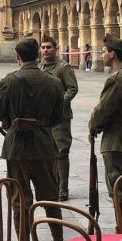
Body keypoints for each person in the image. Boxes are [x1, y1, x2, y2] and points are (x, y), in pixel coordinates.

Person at [0, 37, 65, 241]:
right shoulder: (54, 82)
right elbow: (57, 117)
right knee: (51, 199)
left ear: (18, 56)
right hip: (44, 146)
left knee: (20, 201)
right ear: (37, 55)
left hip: (17, 149)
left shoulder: (10, 80)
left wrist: (11, 118)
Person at [88, 33, 122, 233]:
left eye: (103, 52)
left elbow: (103, 110)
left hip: (115, 140)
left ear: (112, 54)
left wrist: (93, 127)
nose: (102, 55)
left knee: (117, 188)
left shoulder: (116, 79)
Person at [38, 34, 78, 201]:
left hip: (60, 116)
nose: (46, 50)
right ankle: (52, 184)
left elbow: (72, 88)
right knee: (48, 151)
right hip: (44, 116)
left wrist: (60, 102)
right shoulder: (40, 67)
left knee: (61, 151)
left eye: (49, 47)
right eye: (43, 47)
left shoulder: (63, 68)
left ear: (55, 48)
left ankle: (63, 188)